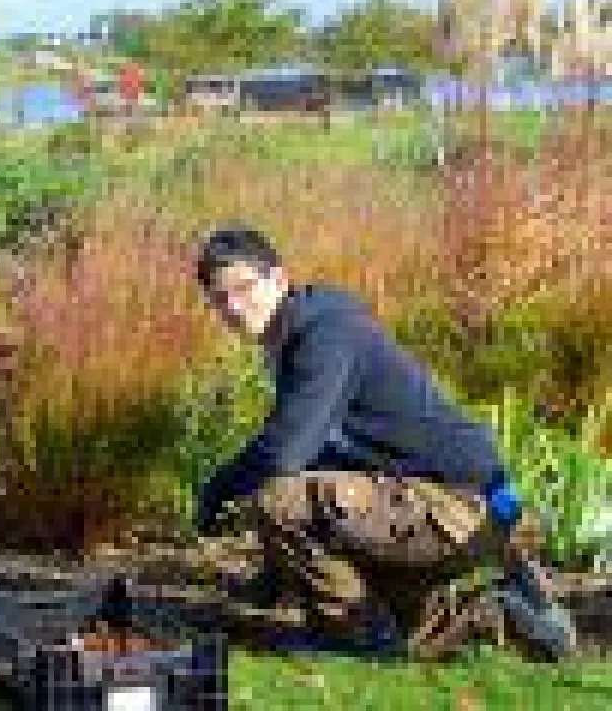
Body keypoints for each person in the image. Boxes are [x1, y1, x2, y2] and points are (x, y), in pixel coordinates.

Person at [192, 223, 578, 661]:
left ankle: (356, 637)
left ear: (278, 278)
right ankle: (502, 615)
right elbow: (314, 450)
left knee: (278, 499)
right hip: (448, 506)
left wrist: (218, 489)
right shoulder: (305, 328)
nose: (234, 308)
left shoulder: (323, 333)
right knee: (403, 628)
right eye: (220, 298)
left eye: (244, 289)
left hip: (458, 507)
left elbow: (285, 453)